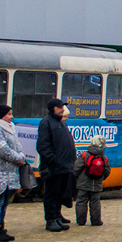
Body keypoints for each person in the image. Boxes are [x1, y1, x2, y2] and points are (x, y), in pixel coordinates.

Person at [0, 104, 28, 242]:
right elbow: (2, 150)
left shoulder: (10, 128)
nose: (11, 116)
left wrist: (21, 156)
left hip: (9, 172)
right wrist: (18, 158)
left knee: (4, 203)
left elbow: (18, 146)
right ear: (2, 115)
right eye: (9, 114)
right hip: (0, 173)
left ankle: (0, 228)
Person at [36, 97, 76, 232]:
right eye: (60, 107)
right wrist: (53, 160)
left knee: (60, 193)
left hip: (64, 166)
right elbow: (43, 146)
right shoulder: (46, 123)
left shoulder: (60, 123)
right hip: (54, 166)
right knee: (51, 194)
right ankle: (51, 219)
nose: (62, 110)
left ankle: (57, 216)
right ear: (53, 109)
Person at [73, 134, 112, 226]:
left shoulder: (84, 155)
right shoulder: (104, 158)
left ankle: (81, 221)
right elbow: (107, 171)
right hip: (97, 184)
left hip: (83, 183)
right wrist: (100, 178)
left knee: (81, 201)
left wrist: (78, 178)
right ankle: (96, 221)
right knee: (95, 203)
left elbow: (76, 169)